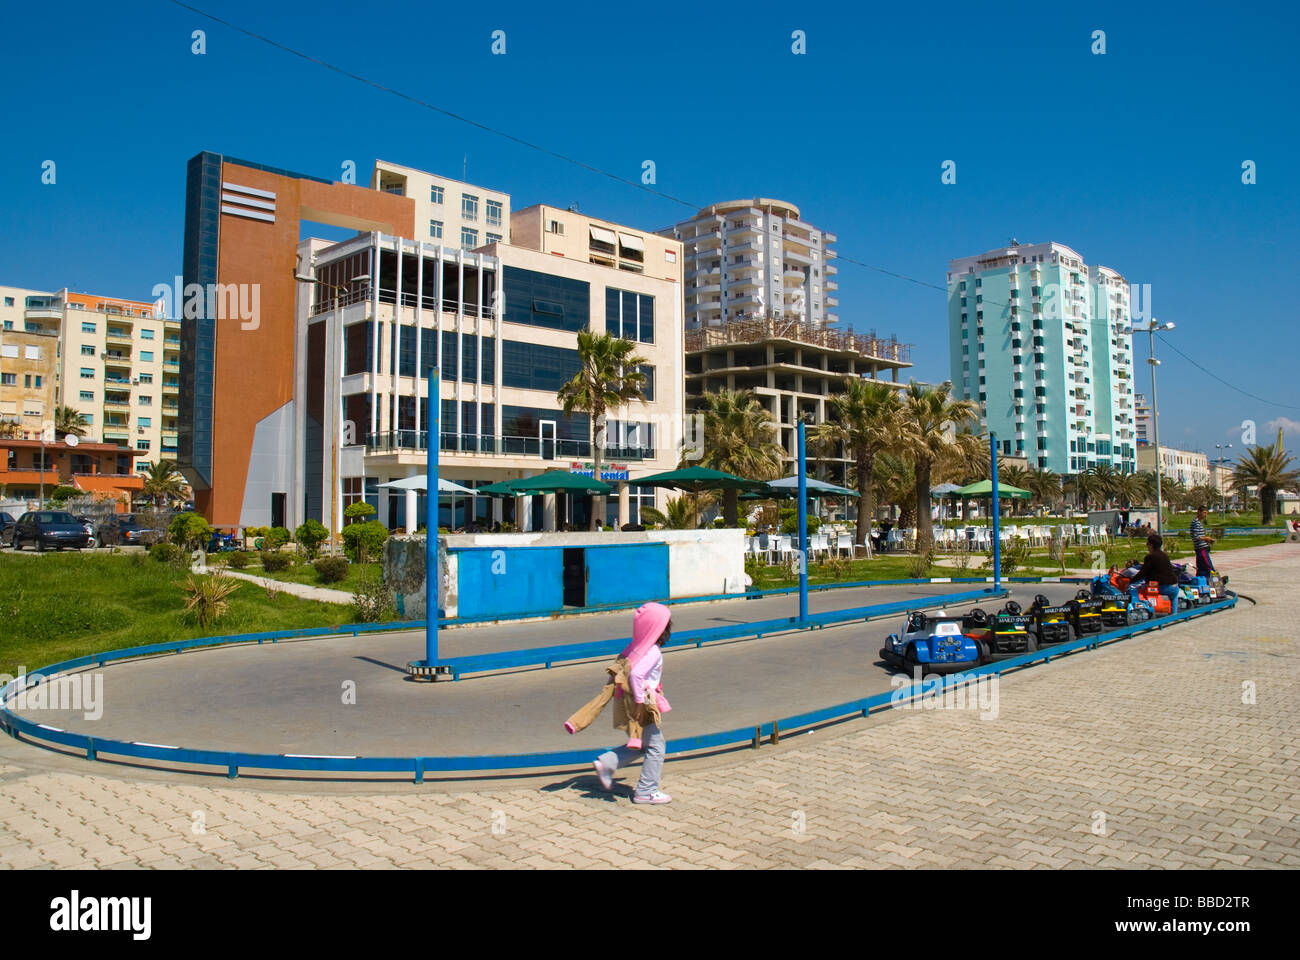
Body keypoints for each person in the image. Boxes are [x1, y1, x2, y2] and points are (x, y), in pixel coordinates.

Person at [591, 602, 673, 804]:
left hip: (629, 701)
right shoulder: (652, 650)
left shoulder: (636, 646)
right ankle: (646, 791)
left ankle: (607, 763)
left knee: (645, 744)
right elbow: (636, 674)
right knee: (656, 747)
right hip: (641, 703)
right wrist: (640, 703)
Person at [1127, 533, 1180, 614]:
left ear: (1151, 545)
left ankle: (1145, 612)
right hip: (1174, 587)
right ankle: (1174, 615)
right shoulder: (1164, 555)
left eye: (1147, 544)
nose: (1146, 546)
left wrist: (1131, 581)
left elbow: (1143, 573)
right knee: (1174, 597)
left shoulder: (1150, 556)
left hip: (1162, 587)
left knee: (1138, 591)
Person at [1190, 506, 1216, 578]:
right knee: (1209, 566)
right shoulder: (1195, 522)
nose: (1205, 515)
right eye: (1204, 513)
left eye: (1206, 513)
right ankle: (1216, 580)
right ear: (1199, 512)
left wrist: (1208, 540)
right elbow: (1195, 537)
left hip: (1202, 548)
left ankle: (1203, 582)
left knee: (1201, 569)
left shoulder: (1198, 522)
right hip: (1201, 549)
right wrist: (1207, 538)